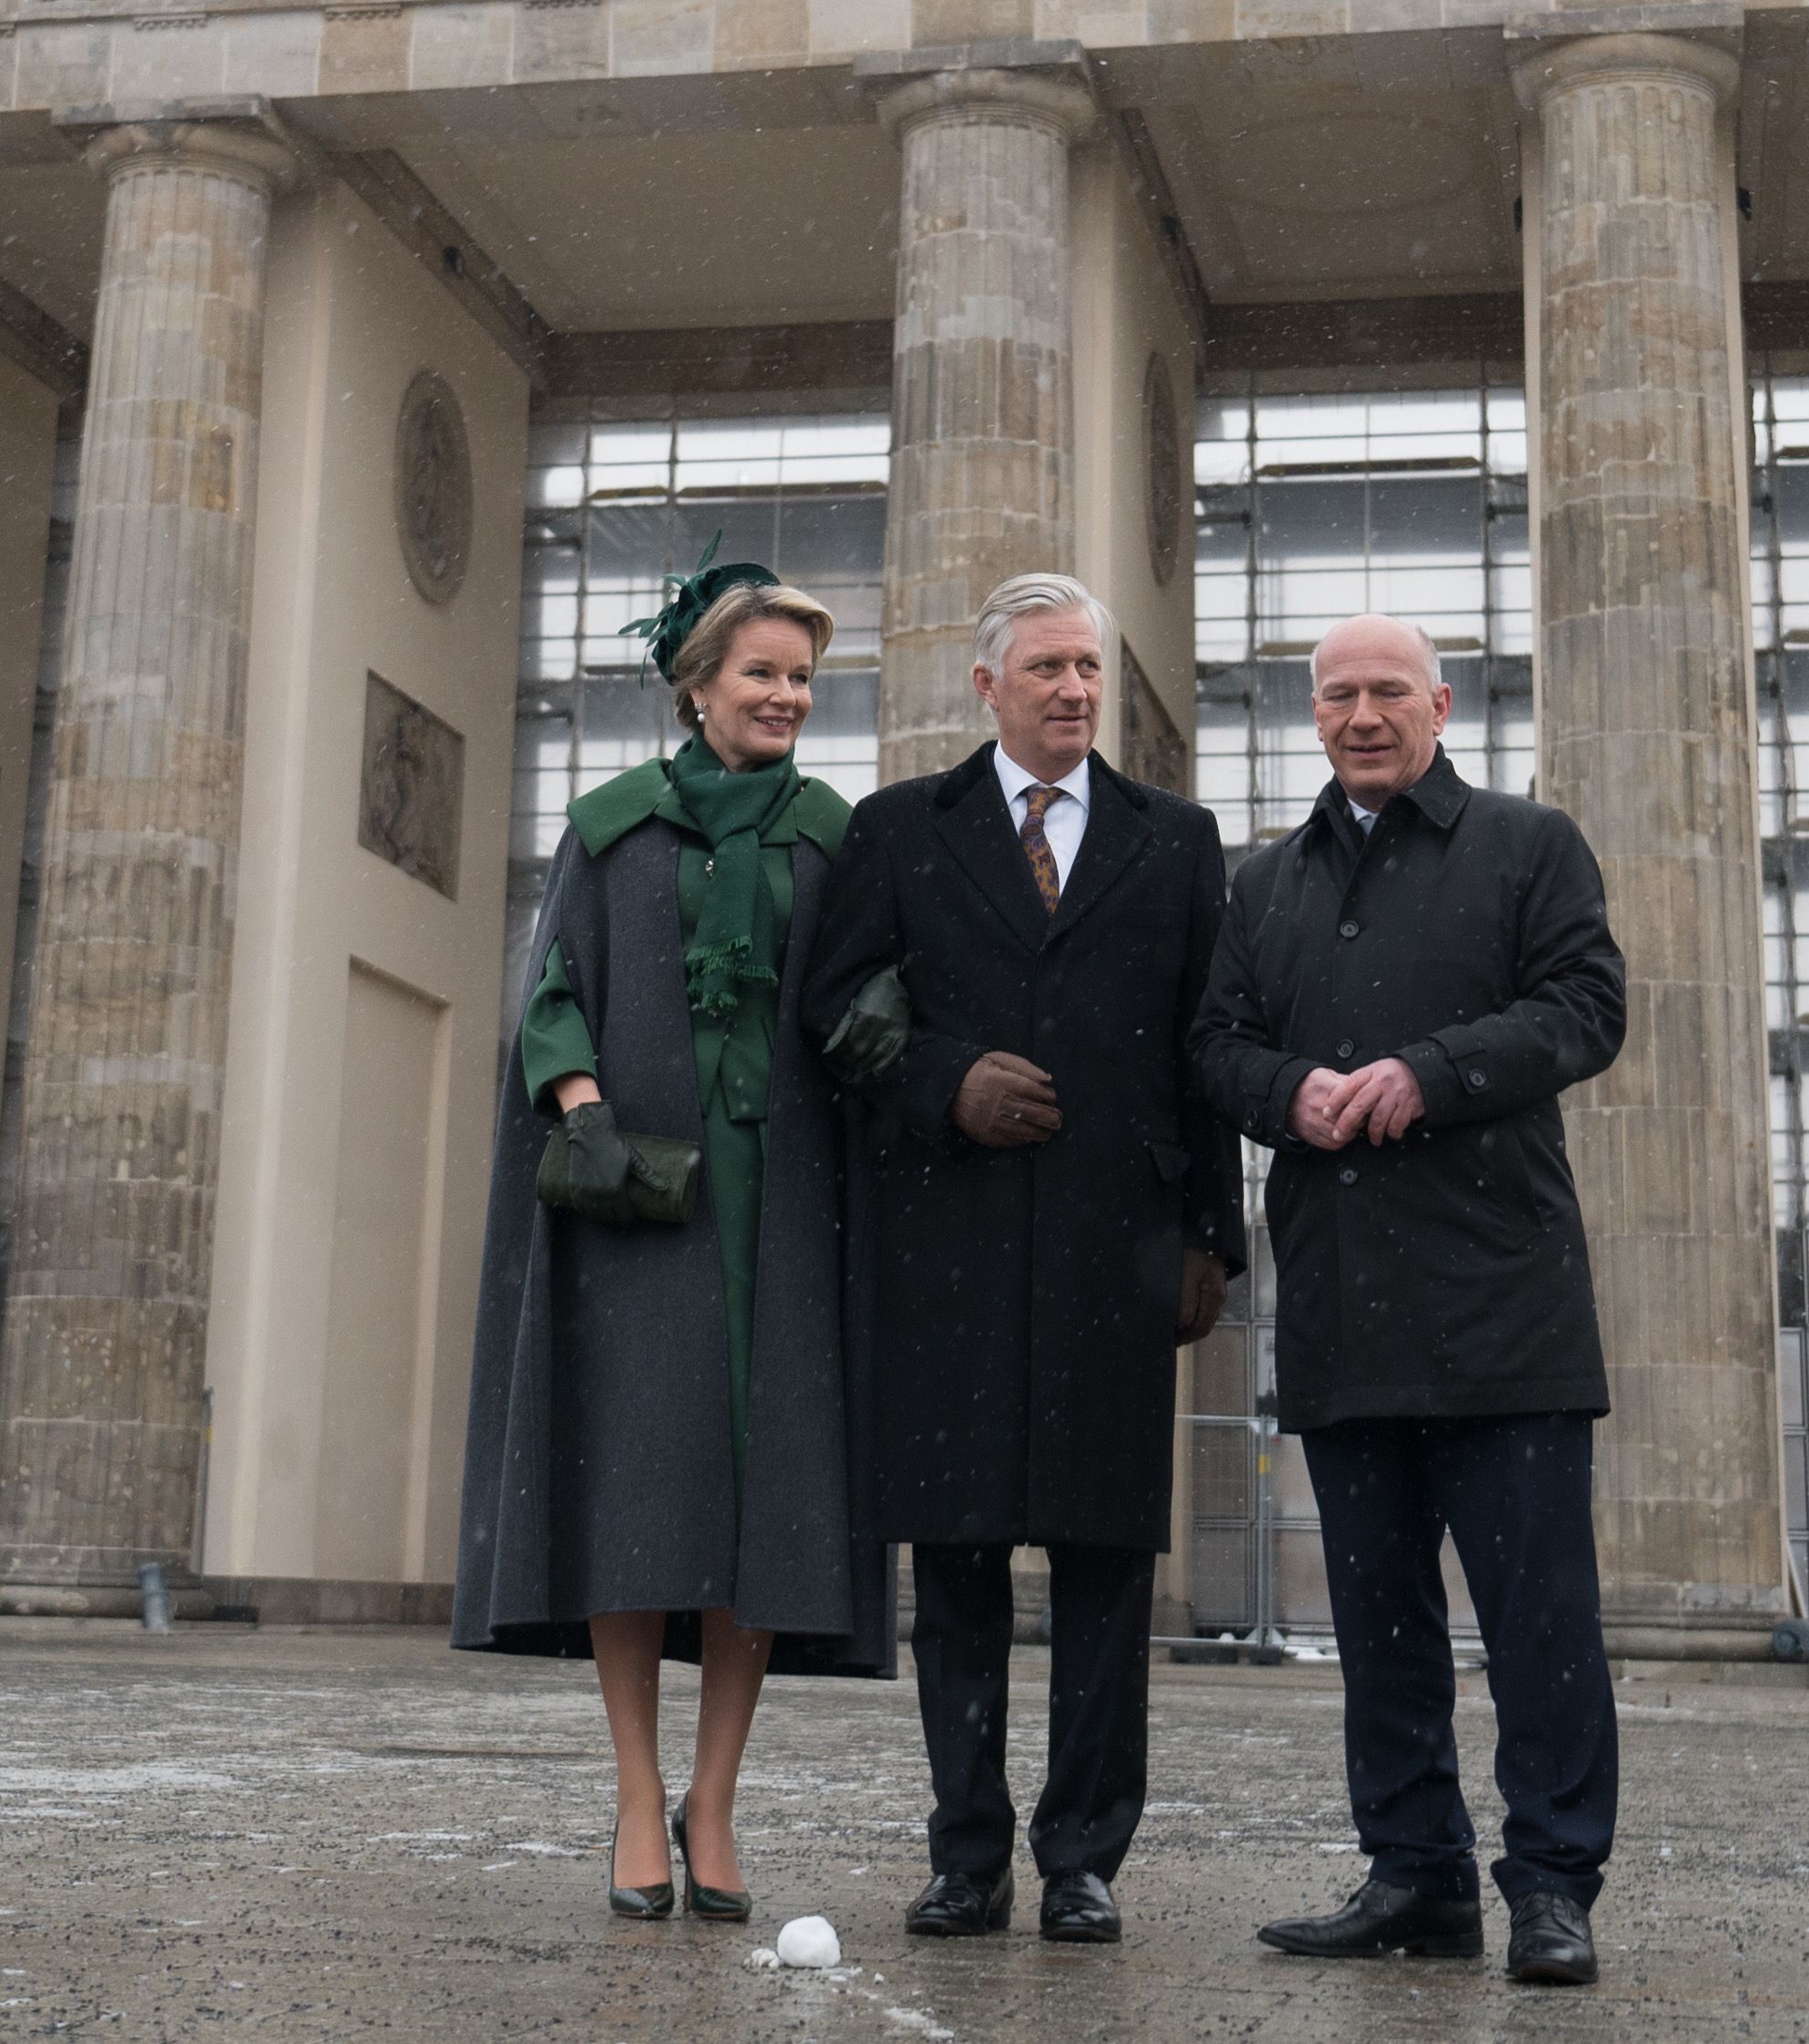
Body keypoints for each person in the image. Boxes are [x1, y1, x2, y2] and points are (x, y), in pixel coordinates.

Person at [799, 575, 1244, 1949]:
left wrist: (1211, 1239)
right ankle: (967, 1853)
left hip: (1120, 1248)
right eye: (1046, 668)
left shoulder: (1179, 842)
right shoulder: (895, 832)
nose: (1072, 690)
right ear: (985, 684)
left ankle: (1086, 1856)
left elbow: (1205, 1050)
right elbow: (829, 1016)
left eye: (1088, 670)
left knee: (1108, 1564)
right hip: (951, 1250)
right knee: (962, 1565)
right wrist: (944, 1083)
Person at [1187, 613, 1630, 1991]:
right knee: (1378, 1626)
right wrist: (1286, 1091)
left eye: (1390, 690)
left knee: (1540, 1621)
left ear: (1442, 701)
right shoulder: (1263, 885)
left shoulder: (1528, 844)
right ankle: (1417, 1876)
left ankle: (1553, 1886)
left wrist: (1431, 1070)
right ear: (1310, 712)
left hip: (1508, 1307)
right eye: (1338, 694)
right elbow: (1214, 1043)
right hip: (1344, 1304)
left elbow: (1587, 1008)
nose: (1363, 713)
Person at [453, 554, 888, 1922]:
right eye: (760, 671)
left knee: (764, 1508)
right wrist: (581, 1105)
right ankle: (639, 1796)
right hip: (646, 1207)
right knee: (636, 1502)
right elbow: (551, 991)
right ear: (696, 685)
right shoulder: (610, 826)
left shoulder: (836, 834)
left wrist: (885, 1017)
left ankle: (717, 1798)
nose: (786, 695)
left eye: (803, 676)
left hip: (789, 1211)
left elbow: (869, 987)